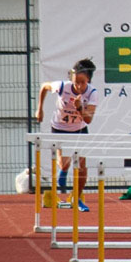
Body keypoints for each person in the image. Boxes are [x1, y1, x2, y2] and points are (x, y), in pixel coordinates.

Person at [35, 58, 99, 212]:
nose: (78, 86)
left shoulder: (92, 93)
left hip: (79, 129)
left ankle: (77, 198)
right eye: (76, 82)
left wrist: (79, 108)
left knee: (82, 167)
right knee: (64, 163)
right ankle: (63, 170)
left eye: (82, 82)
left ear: (88, 80)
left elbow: (88, 119)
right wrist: (40, 109)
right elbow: (44, 87)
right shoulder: (63, 86)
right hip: (59, 128)